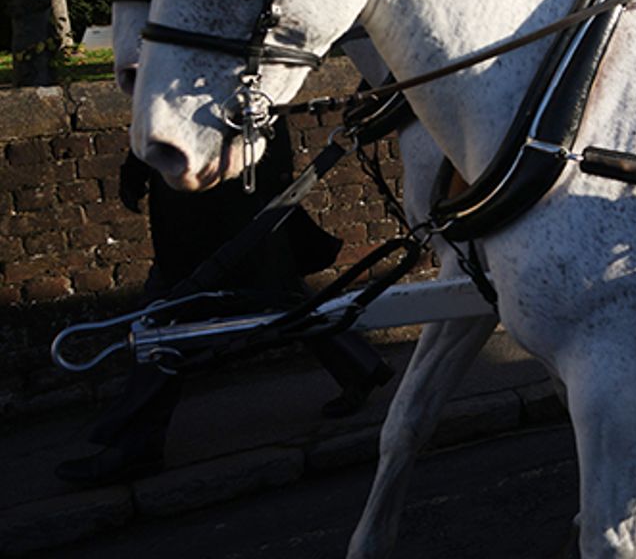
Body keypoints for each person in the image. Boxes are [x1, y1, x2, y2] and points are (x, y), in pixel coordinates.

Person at [55, 128, 393, 486]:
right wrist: (138, 163)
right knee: (280, 298)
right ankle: (360, 368)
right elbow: (161, 110)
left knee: (166, 317)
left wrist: (273, 188)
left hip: (226, 196)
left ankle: (136, 446)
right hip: (200, 199)